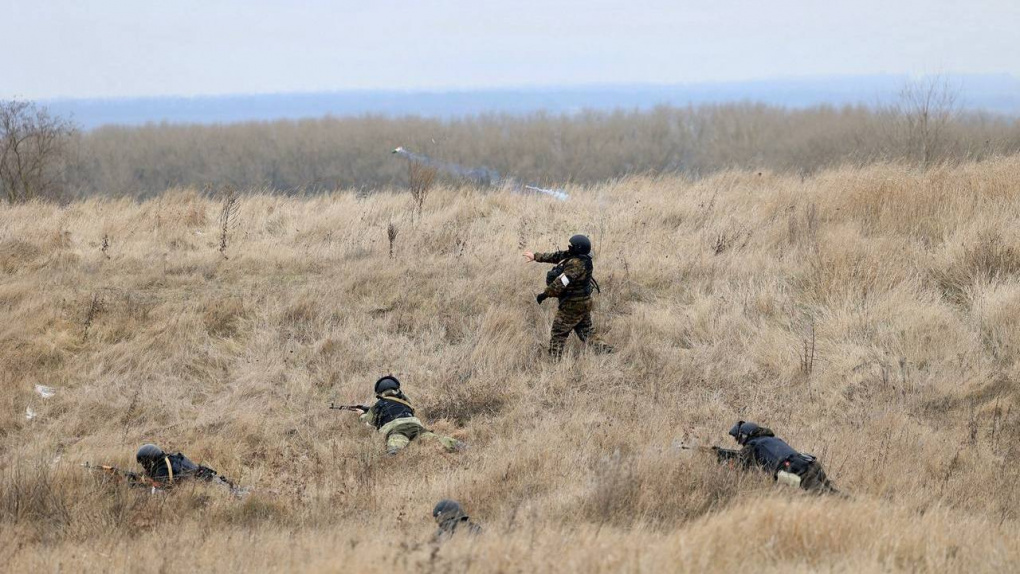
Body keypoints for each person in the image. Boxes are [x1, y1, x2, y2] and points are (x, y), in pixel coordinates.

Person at [523, 234, 612, 358]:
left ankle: (554, 361)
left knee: (558, 332)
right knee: (587, 333)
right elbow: (557, 256)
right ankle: (607, 351)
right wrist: (536, 257)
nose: (569, 247)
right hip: (583, 303)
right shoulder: (578, 257)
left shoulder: (577, 264)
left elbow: (561, 282)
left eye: (572, 246)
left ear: (578, 248)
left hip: (572, 306)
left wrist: (545, 294)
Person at [718, 421, 839, 494]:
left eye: (738, 438)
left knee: (823, 497)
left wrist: (719, 453)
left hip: (798, 470)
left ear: (745, 435)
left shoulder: (753, 445)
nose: (739, 442)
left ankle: (854, 510)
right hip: (810, 463)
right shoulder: (771, 439)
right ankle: (854, 505)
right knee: (832, 493)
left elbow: (740, 459)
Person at [356, 376, 464, 455]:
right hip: (415, 426)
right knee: (436, 440)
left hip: (396, 429)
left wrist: (361, 414)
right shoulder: (405, 400)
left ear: (379, 392)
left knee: (394, 451)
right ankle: (459, 445)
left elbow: (369, 421)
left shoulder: (379, 404)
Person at [135, 443, 237, 490]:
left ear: (149, 460)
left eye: (144, 462)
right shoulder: (169, 459)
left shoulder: (163, 467)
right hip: (210, 478)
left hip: (209, 484)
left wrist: (139, 482)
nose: (144, 466)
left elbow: (160, 487)